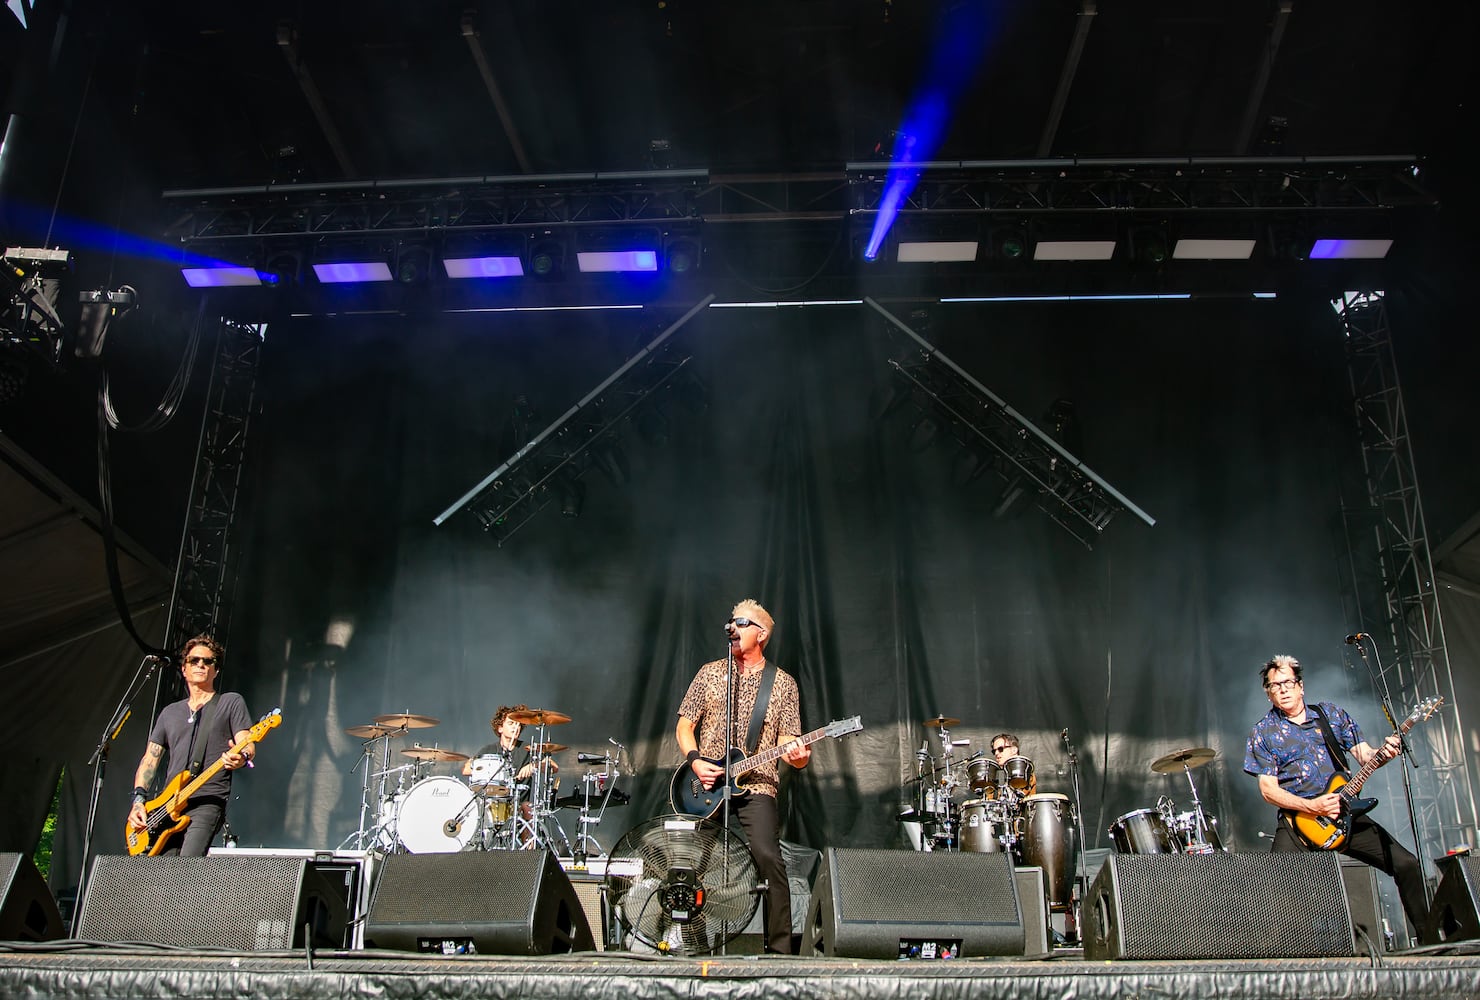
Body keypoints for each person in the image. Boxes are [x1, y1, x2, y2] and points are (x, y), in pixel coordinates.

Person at [1244, 654, 1428, 932]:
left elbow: (1366, 755)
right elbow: (1268, 791)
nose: (1282, 689)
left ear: (1301, 686)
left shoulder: (1329, 715)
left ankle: (1431, 941)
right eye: (1274, 686)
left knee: (1407, 864)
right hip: (1300, 824)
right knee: (1277, 887)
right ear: (1268, 694)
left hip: (1345, 814)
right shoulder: (1263, 732)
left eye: (1288, 683)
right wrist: (1312, 807)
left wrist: (1385, 753)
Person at [676, 598, 810, 955]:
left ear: (761, 634)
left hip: (757, 783)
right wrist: (694, 760)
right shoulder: (710, 673)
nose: (732, 627)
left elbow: (788, 745)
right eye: (731, 621)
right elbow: (685, 724)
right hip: (706, 782)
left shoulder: (782, 684)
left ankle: (780, 952)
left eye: (742, 623)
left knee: (769, 857)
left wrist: (798, 757)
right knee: (688, 862)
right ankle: (692, 943)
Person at [126, 635, 254, 856]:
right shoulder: (169, 713)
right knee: (160, 874)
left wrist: (241, 756)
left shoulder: (230, 702)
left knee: (187, 866)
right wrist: (139, 801)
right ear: (184, 669)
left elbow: (247, 742)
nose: (201, 665)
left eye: (208, 661)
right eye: (194, 660)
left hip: (207, 799)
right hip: (167, 806)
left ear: (216, 670)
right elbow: (150, 759)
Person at [982, 732, 1037, 798]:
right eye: (994, 751)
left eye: (1000, 749)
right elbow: (989, 799)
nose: (996, 753)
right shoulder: (995, 776)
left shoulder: (1026, 773)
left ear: (1014, 750)